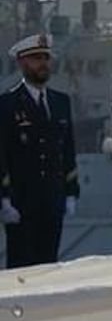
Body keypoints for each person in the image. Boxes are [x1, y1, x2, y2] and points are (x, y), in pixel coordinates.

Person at [0, 34, 78, 267]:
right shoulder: (7, 104)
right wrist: (3, 199)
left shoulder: (60, 102)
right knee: (22, 265)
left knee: (48, 264)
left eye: (45, 58)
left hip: (52, 199)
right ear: (22, 63)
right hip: (21, 202)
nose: (43, 63)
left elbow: (67, 149)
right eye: (35, 58)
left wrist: (71, 189)